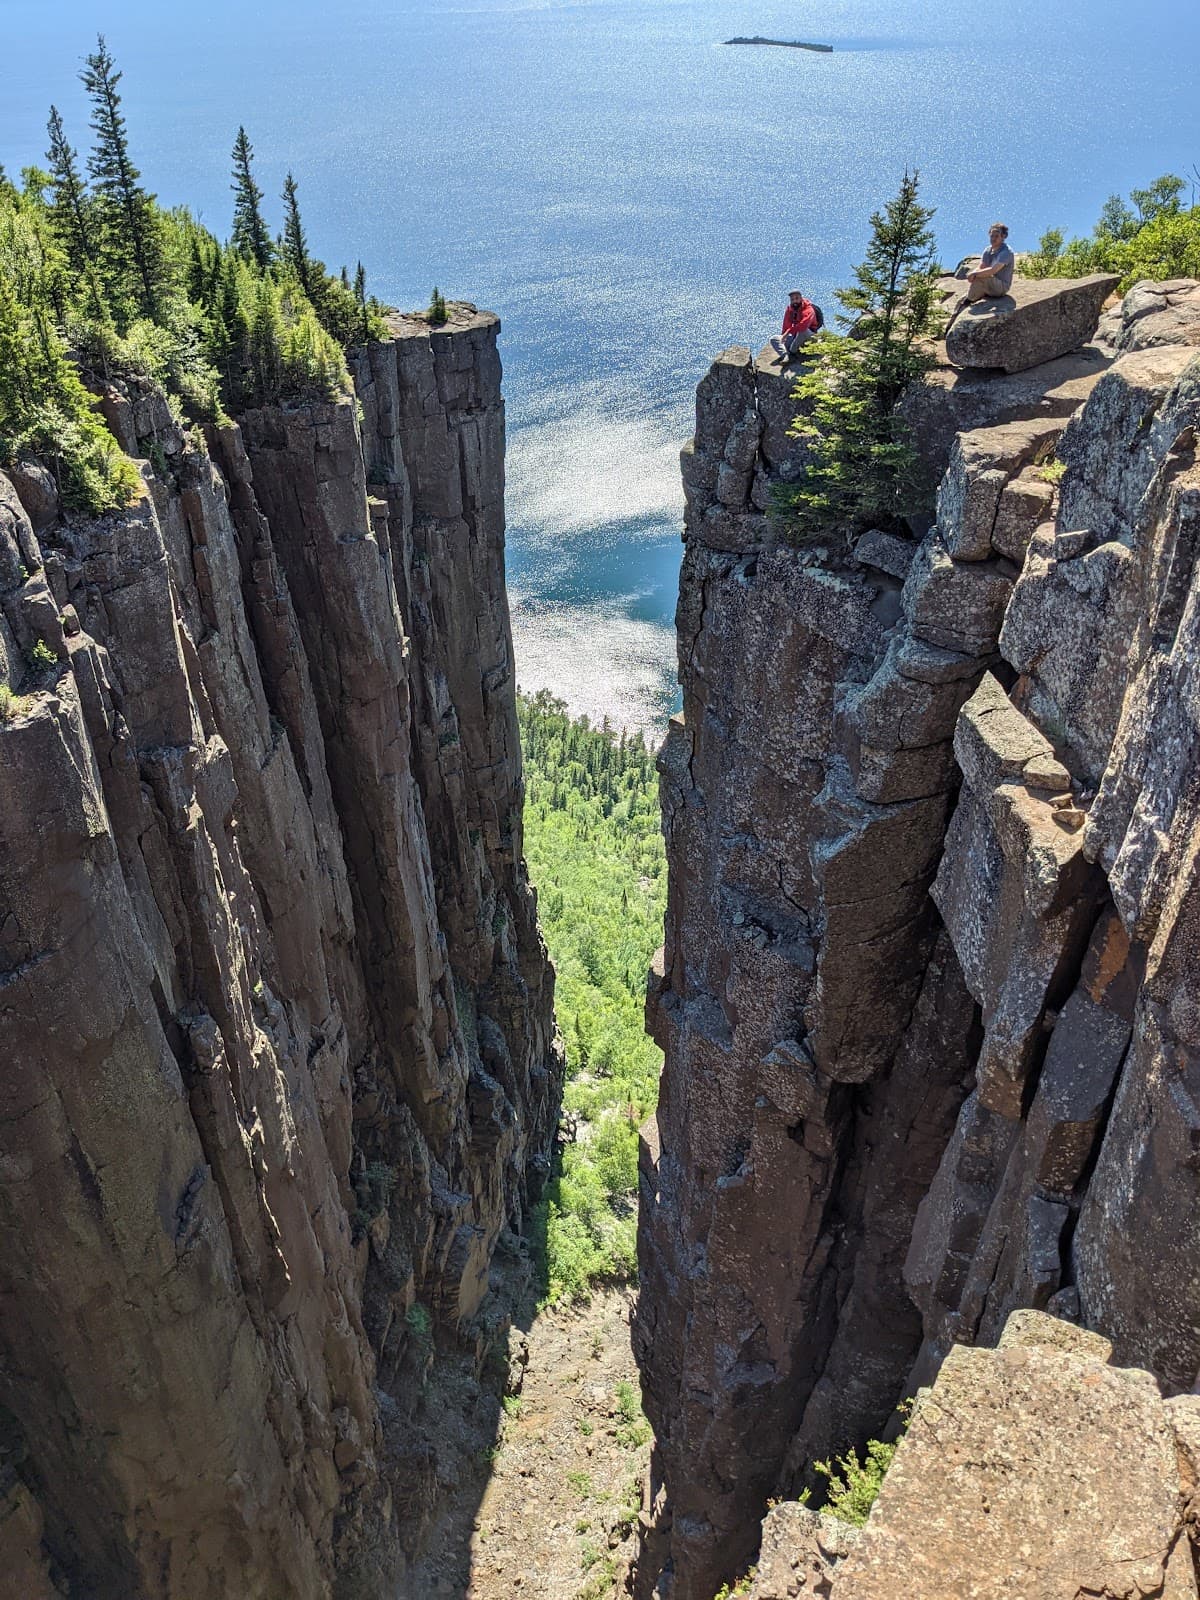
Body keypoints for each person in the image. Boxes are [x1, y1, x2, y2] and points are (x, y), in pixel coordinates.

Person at [965, 222, 1015, 301]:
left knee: (981, 277)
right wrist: (972, 274)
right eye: (992, 236)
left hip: (1001, 287)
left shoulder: (1006, 252)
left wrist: (975, 274)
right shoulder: (988, 250)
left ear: (1003, 237)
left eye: (996, 236)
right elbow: (982, 266)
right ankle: (972, 296)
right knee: (977, 275)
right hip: (990, 283)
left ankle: (969, 299)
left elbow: (993, 270)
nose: (993, 239)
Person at [771, 290, 819, 362]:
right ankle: (785, 355)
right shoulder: (790, 309)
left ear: (801, 298)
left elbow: (803, 326)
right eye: (792, 299)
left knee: (803, 331)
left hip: (809, 338)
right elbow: (786, 325)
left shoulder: (809, 310)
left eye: (797, 298)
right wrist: (783, 336)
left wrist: (788, 332)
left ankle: (792, 352)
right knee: (774, 338)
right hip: (795, 338)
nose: (794, 301)